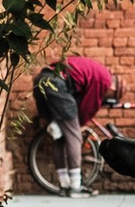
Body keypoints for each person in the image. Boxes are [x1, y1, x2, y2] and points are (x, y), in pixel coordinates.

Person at [32, 47, 119, 191]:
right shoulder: (104, 80)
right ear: (113, 88)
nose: (106, 97)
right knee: (74, 135)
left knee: (59, 136)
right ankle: (75, 185)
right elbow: (89, 105)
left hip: (41, 80)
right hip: (56, 84)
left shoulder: (97, 70)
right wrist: (79, 124)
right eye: (110, 96)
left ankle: (64, 183)